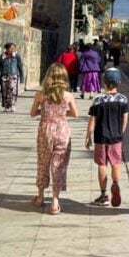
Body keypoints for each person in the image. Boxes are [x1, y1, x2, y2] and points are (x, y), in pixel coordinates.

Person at [30, 63, 79, 215]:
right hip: (62, 130)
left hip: (45, 130)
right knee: (58, 165)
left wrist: (44, 112)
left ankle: (40, 197)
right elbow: (75, 114)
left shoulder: (41, 94)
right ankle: (55, 202)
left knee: (43, 162)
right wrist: (61, 114)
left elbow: (32, 113)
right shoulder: (68, 95)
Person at [84, 68, 128, 207]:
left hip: (100, 137)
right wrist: (121, 132)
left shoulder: (98, 100)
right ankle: (115, 183)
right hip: (116, 137)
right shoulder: (123, 99)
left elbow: (92, 119)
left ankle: (104, 195)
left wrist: (88, 135)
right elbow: (125, 118)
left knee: (102, 164)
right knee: (116, 163)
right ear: (119, 83)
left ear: (103, 82)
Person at [0, 43, 25, 112]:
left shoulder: (16, 56)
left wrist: (22, 78)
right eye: (11, 48)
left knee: (13, 91)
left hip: (13, 76)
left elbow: (20, 67)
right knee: (5, 92)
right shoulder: (2, 57)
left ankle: (13, 105)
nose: (13, 50)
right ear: (7, 49)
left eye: (14, 48)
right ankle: (6, 106)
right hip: (4, 76)